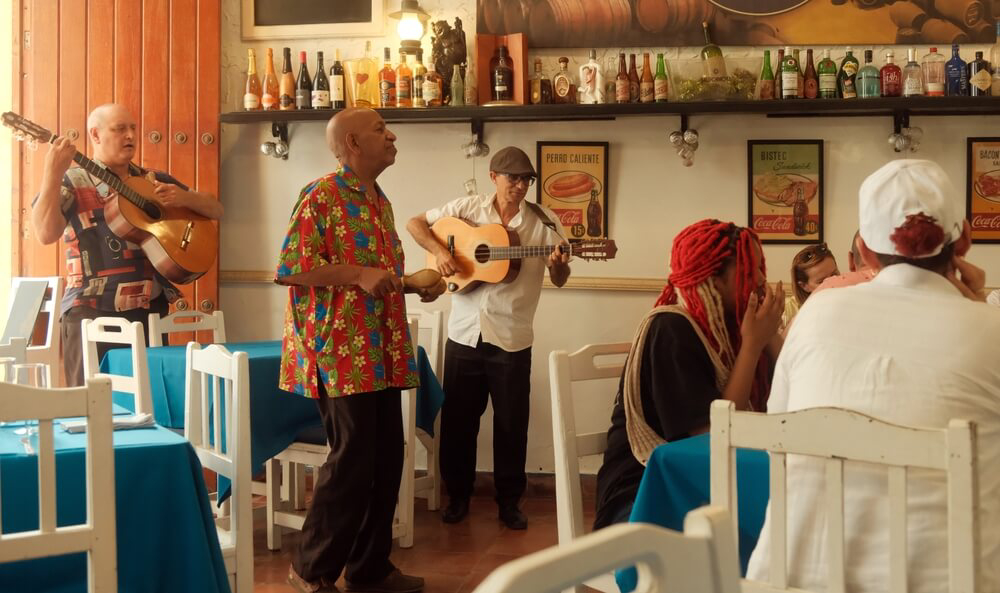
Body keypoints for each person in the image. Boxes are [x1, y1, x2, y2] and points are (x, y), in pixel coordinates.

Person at [747, 159, 1000, 592]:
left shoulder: (816, 313)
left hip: (791, 581)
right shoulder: (990, 329)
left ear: (863, 251)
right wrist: (978, 308)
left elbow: (778, 434)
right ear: (964, 241)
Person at [276, 108, 432, 593]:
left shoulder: (379, 200)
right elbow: (292, 268)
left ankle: (368, 569)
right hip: (339, 350)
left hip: (380, 348)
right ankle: (309, 571)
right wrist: (358, 273)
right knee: (353, 460)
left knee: (386, 458)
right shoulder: (321, 195)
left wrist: (411, 284)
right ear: (353, 143)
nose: (392, 136)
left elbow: (375, 277)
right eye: (380, 129)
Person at [406, 146, 571, 530]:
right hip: (465, 333)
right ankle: (458, 496)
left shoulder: (544, 223)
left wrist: (558, 265)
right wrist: (439, 252)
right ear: (493, 176)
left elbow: (561, 279)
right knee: (459, 422)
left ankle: (509, 502)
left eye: (526, 179)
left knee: (512, 424)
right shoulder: (466, 208)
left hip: (512, 336)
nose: (520, 185)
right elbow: (415, 223)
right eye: (513, 177)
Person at [594, 219, 783, 530]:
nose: (762, 278)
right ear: (714, 281)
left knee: (786, 518)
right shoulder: (669, 329)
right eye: (750, 270)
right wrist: (752, 346)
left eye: (760, 267)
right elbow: (715, 437)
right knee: (769, 523)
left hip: (707, 483)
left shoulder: (731, 331)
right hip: (644, 493)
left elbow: (794, 385)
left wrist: (770, 334)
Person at [31, 103, 223, 386]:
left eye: (133, 128)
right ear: (95, 135)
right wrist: (52, 173)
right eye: (120, 129)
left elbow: (216, 209)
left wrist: (185, 198)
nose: (130, 135)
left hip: (150, 311)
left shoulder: (154, 181)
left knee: (150, 402)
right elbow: (45, 234)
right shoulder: (71, 182)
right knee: (91, 403)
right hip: (92, 314)